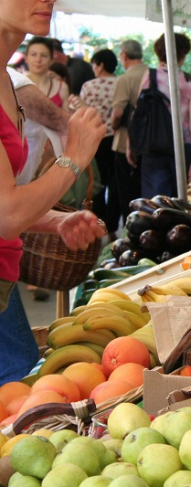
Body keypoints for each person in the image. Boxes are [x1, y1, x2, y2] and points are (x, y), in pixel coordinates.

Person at [0, 0, 107, 383]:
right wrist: (74, 157)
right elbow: (7, 214)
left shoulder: (9, 81)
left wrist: (53, 220)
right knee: (17, 376)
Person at [137, 33, 191, 198]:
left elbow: (139, 113)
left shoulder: (150, 76)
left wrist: (133, 144)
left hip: (154, 146)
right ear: (183, 54)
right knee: (180, 200)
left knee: (155, 203)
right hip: (182, 147)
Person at [74, 49, 120, 233]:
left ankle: (99, 223)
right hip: (116, 139)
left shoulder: (89, 86)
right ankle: (112, 221)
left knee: (97, 182)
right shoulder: (120, 83)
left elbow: (83, 112)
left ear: (100, 65)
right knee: (114, 182)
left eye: (94, 64)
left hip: (95, 139)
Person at [110, 40, 145, 220]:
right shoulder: (153, 74)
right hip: (150, 143)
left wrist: (113, 126)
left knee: (126, 192)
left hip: (125, 143)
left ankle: (130, 228)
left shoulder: (125, 79)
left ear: (123, 55)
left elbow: (118, 113)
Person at [25, 37, 69, 112]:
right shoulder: (16, 85)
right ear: (26, 58)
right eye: (33, 54)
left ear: (51, 60)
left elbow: (66, 120)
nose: (38, 60)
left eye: (44, 55)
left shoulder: (62, 88)